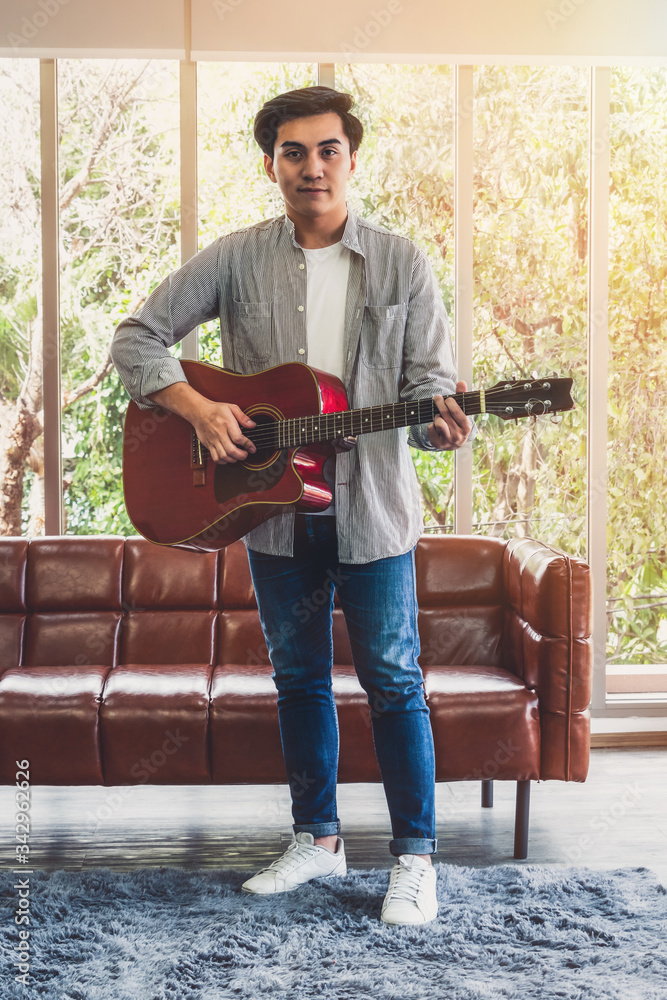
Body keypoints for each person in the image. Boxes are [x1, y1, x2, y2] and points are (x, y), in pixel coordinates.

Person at [111, 86, 472, 926]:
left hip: (372, 511)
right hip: (269, 509)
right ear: (270, 163)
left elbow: (423, 394)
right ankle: (317, 838)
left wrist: (441, 429)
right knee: (297, 678)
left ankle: (416, 858)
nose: (313, 167)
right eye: (294, 153)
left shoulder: (402, 263)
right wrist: (198, 409)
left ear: (351, 156)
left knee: (391, 679)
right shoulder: (235, 259)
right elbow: (135, 338)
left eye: (328, 150)